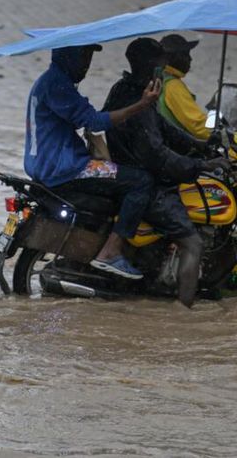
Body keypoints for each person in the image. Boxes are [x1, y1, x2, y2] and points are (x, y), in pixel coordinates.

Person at [102, 37, 230, 307]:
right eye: (161, 63)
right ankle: (183, 310)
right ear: (151, 64)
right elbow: (156, 153)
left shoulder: (126, 89)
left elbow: (164, 129)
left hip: (131, 171)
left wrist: (202, 147)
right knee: (192, 243)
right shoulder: (140, 96)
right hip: (148, 182)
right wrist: (199, 165)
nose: (164, 67)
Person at [25, 44, 161, 280]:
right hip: (65, 169)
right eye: (84, 56)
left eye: (89, 57)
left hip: (42, 165)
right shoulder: (58, 85)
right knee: (141, 181)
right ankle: (110, 251)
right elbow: (94, 122)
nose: (87, 64)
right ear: (69, 56)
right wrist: (141, 105)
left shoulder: (49, 80)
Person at [157, 34, 211, 141]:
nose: (190, 59)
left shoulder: (159, 78)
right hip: (178, 150)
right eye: (185, 54)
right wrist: (228, 136)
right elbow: (198, 126)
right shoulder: (173, 86)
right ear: (171, 58)